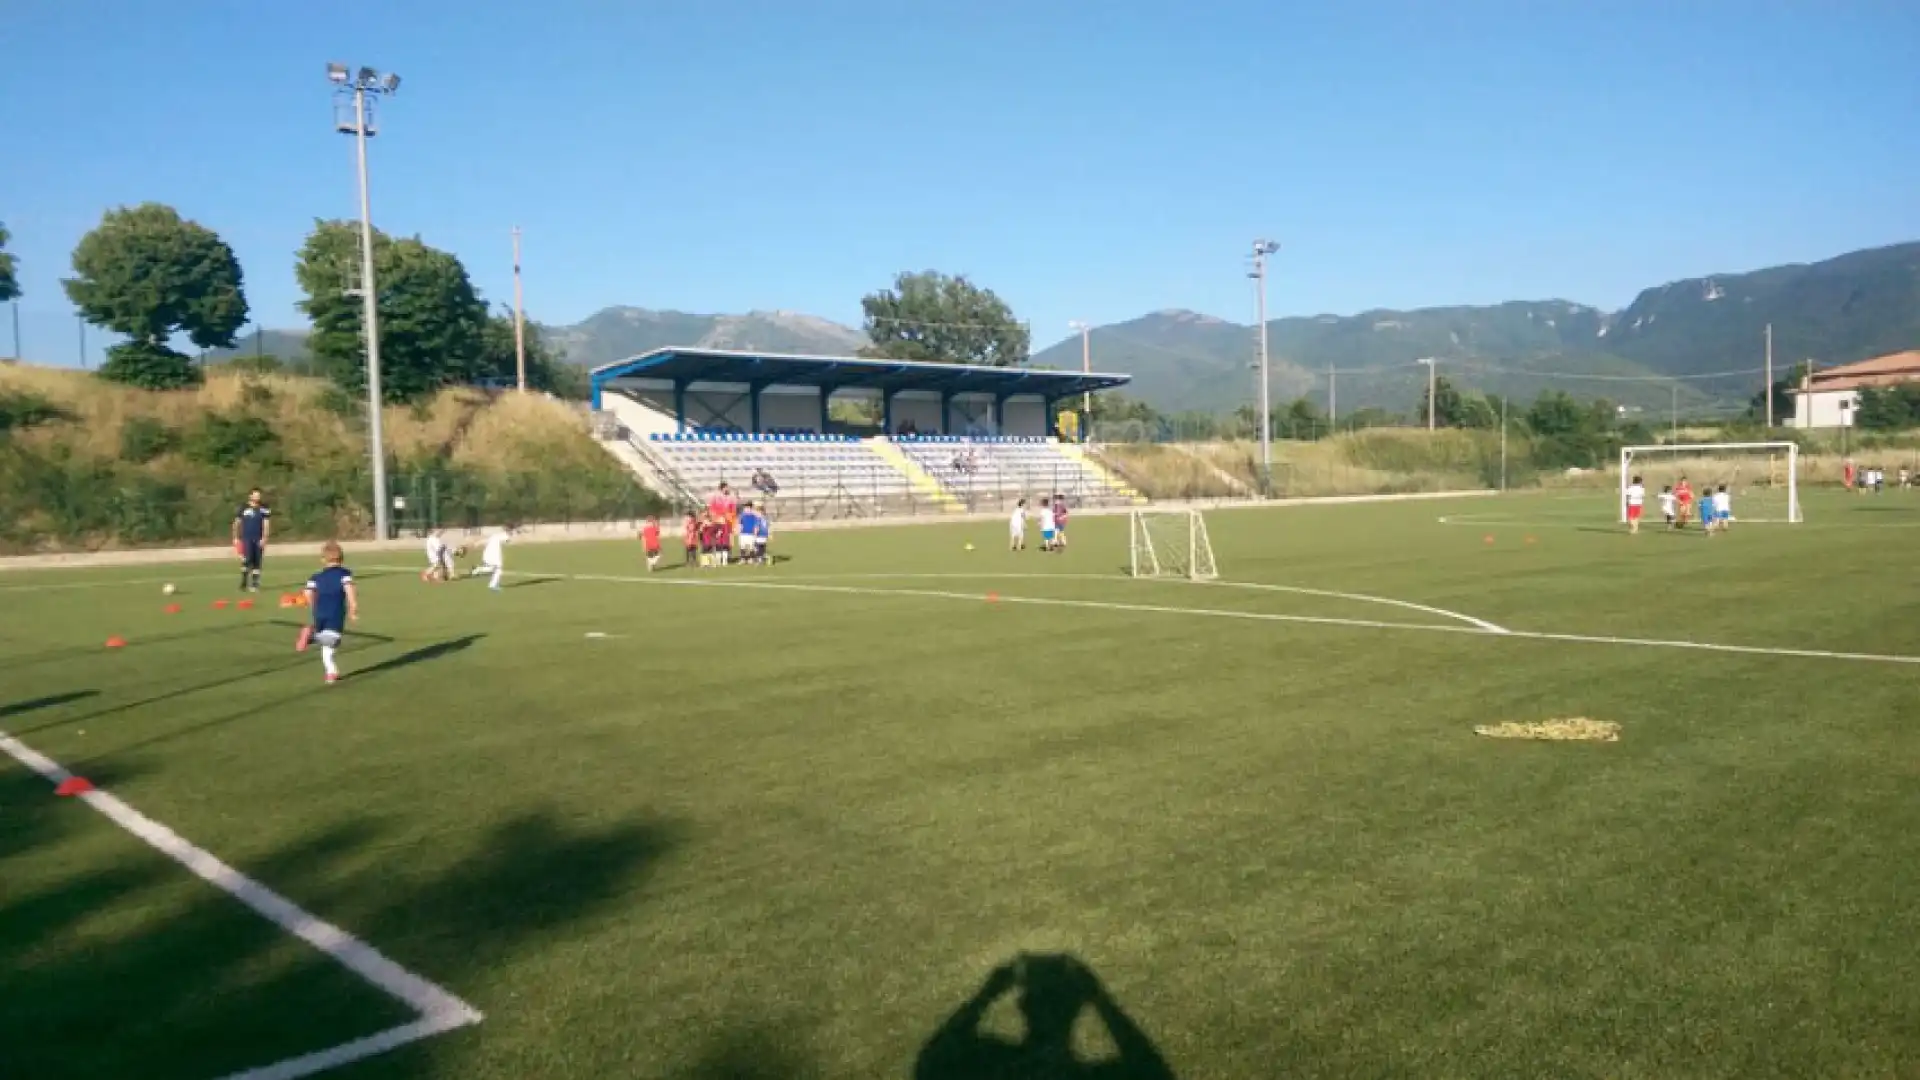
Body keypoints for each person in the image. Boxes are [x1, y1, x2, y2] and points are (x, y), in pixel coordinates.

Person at [295, 541, 358, 684]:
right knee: (333, 640)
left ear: (323, 559)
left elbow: (307, 593)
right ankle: (311, 637)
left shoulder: (315, 577)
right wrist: (353, 607)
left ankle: (331, 672)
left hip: (319, 612)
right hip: (335, 612)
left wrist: (313, 606)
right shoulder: (344, 574)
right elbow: (349, 589)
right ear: (341, 559)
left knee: (327, 648)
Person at [231, 488, 272, 593]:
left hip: (258, 538)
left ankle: (255, 584)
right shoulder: (243, 507)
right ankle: (244, 582)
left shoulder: (264, 508)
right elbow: (237, 523)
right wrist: (235, 537)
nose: (257, 497)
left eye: (259, 495)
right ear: (250, 496)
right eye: (255, 495)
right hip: (246, 538)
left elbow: (266, 524)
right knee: (246, 560)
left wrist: (265, 538)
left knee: (257, 562)